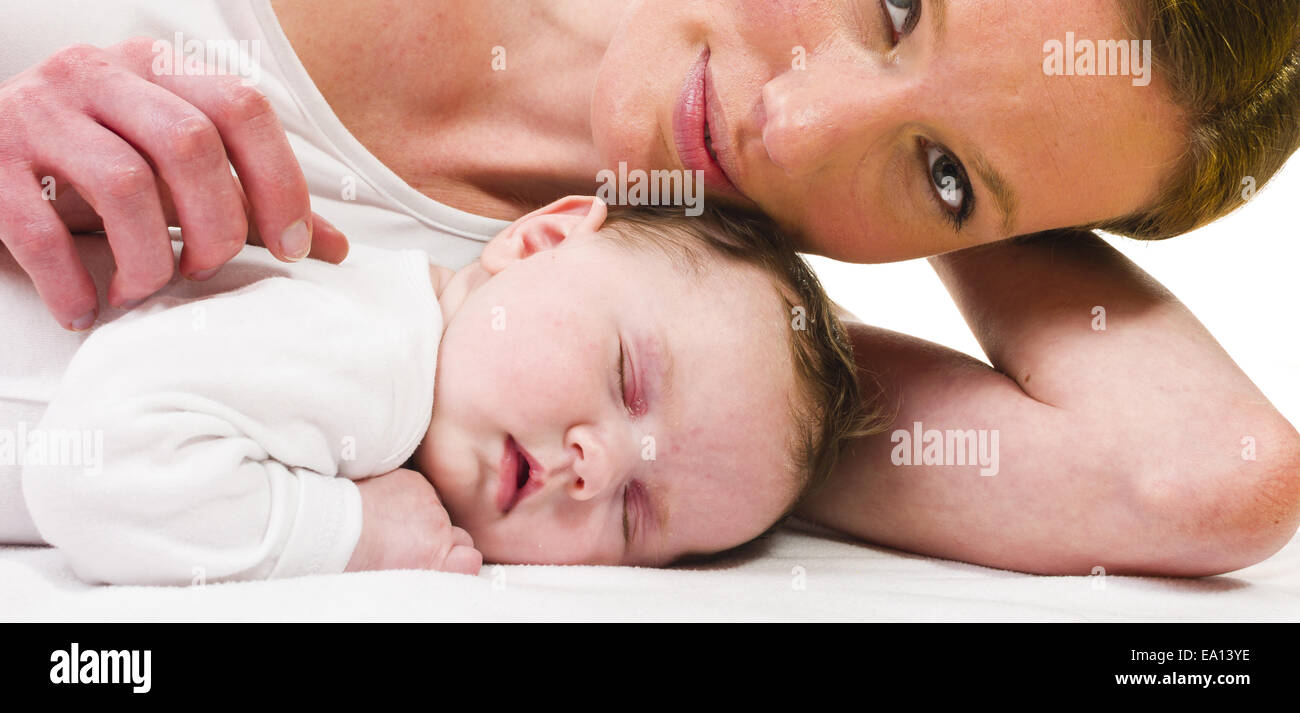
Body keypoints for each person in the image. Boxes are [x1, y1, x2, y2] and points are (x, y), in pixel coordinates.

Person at [1, 0, 1297, 574]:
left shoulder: (680, 388)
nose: (793, 129)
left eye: (945, 179)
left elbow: (1202, 483)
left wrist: (1021, 114)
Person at [7, 197, 875, 584]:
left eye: (637, 514)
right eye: (628, 377)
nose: (599, 465)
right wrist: (353, 533)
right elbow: (87, 474)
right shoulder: (375, 354)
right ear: (539, 241)